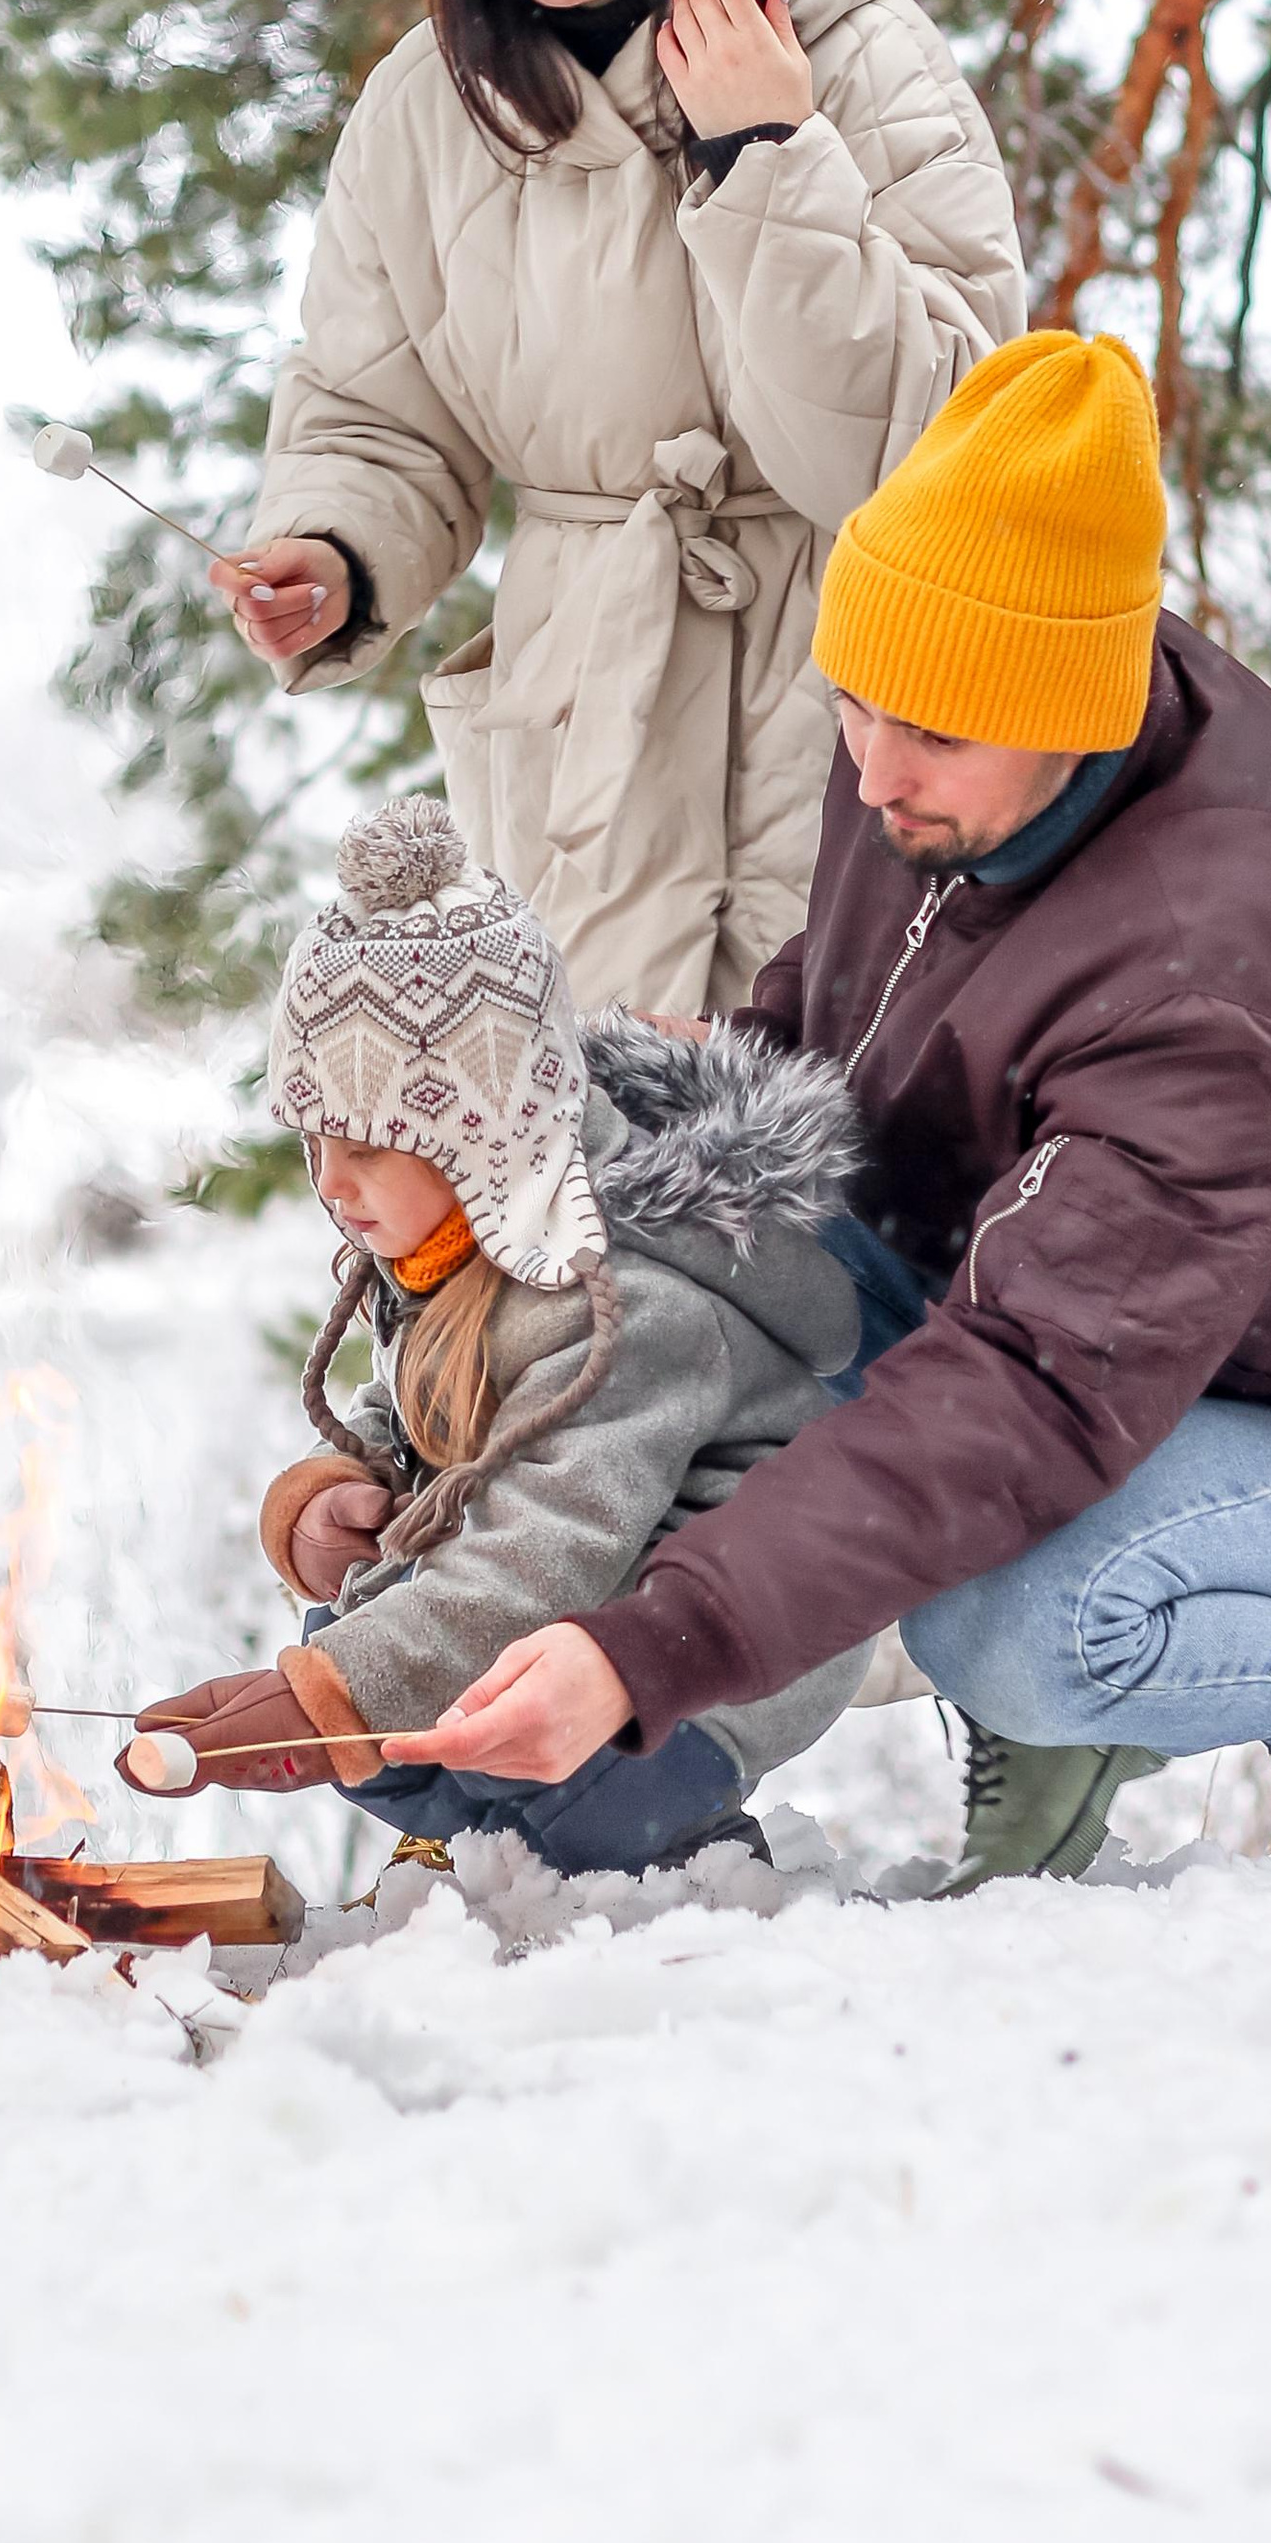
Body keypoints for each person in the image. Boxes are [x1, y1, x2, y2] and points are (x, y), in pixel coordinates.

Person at [378, 332, 1271, 1885]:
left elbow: (1035, 1382)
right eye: (854, 707)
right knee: (644, 1230)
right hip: (1040, 1264)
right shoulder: (949, 727)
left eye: (924, 734)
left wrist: (663, 1644)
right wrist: (688, 1095)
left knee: (1014, 1620)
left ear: (1071, 708)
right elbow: (864, 1005)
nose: (870, 774)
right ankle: (518, 1768)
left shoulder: (1213, 972)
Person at [211, 0, 1025, 1020]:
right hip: (574, 752)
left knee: (809, 1213)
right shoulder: (428, 103)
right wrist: (332, 554)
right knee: (579, 1210)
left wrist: (768, 154)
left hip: (832, 738)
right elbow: (378, 409)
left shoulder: (863, 67)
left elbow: (942, 458)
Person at [115, 791, 875, 1871]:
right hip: (577, 1590)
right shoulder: (453, 1247)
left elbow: (545, 1553)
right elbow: (428, 1405)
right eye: (315, 1140)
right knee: (370, 1682)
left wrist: (325, 1702)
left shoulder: (631, 1310)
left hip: (702, 1638)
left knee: (510, 1742)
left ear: (485, 1134)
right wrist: (343, 1488)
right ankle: (494, 1863)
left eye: (372, 1145)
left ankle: (685, 1863)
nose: (331, 1183)